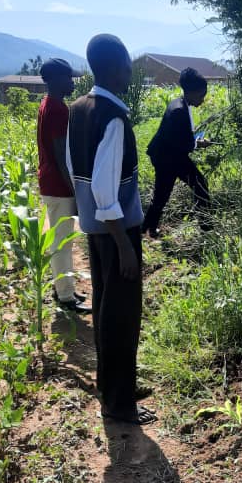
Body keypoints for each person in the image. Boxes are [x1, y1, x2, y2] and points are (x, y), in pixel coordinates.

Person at [66, 34, 155, 426]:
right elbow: (105, 188)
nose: (130, 71)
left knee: (105, 312)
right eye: (127, 64)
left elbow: (77, 172)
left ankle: (113, 388)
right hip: (116, 230)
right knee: (121, 318)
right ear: (117, 67)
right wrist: (125, 246)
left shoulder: (79, 108)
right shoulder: (113, 116)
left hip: (96, 230)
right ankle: (119, 404)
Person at [37, 58, 89, 313]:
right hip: (58, 185)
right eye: (68, 78)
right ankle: (65, 297)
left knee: (65, 240)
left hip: (52, 182)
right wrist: (74, 190)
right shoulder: (57, 109)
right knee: (61, 243)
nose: (72, 82)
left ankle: (65, 289)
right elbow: (61, 155)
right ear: (55, 79)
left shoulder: (50, 104)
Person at [141, 67, 213, 238]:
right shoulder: (179, 111)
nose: (202, 100)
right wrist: (198, 144)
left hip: (168, 154)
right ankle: (207, 228)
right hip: (168, 157)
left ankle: (147, 228)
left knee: (162, 194)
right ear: (192, 92)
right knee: (199, 184)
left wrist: (193, 142)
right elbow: (183, 144)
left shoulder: (180, 103)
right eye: (201, 95)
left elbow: (181, 139)